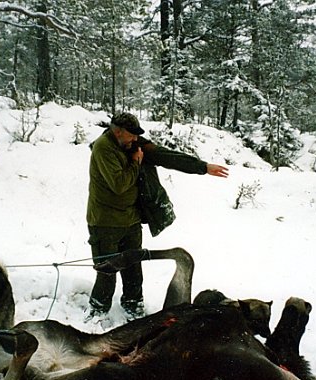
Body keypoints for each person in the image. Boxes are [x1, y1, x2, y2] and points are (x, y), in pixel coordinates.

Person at [86, 112, 229, 320]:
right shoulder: (103, 148)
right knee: (107, 271)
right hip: (105, 222)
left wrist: (203, 167)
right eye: (131, 135)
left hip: (131, 220)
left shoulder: (132, 144)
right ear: (117, 132)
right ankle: (98, 313)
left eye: (137, 135)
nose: (135, 140)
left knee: (134, 269)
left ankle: (133, 308)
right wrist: (136, 163)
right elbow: (118, 185)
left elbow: (164, 155)